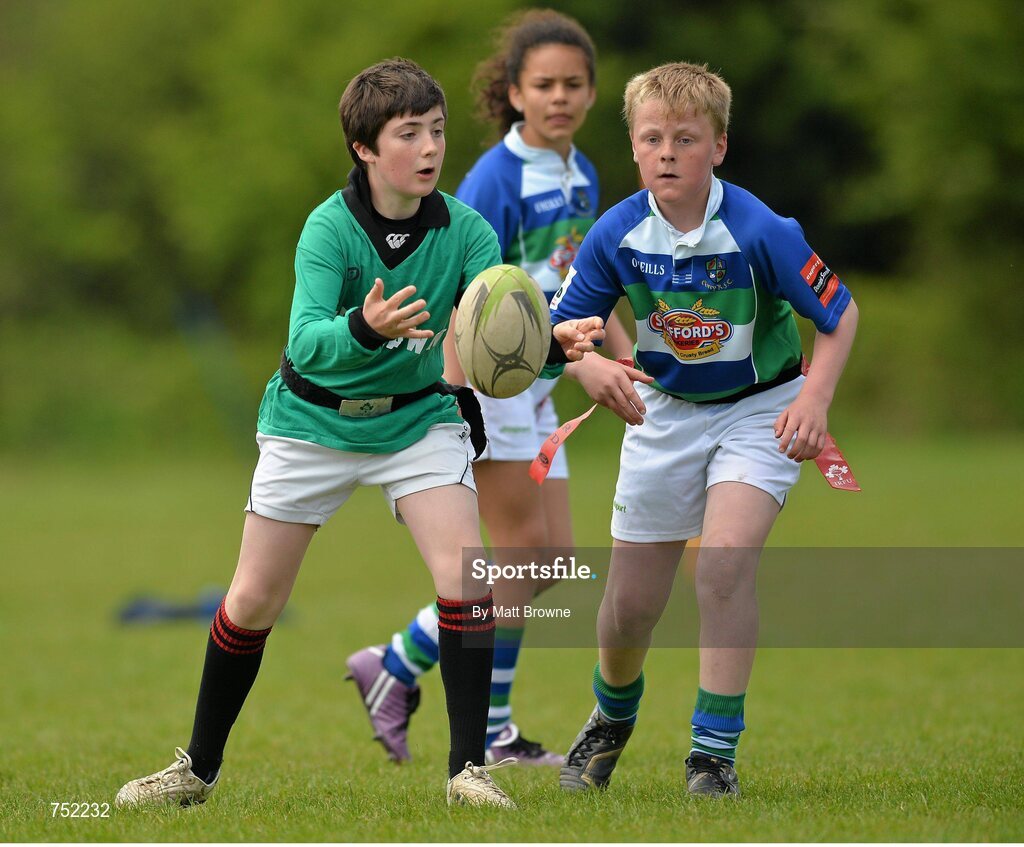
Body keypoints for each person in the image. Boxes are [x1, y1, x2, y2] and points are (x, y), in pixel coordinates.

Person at [113, 58, 604, 811]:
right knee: (252, 599)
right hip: (313, 422)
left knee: (466, 575)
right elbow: (306, 342)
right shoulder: (328, 228)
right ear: (366, 150)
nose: (430, 147)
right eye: (409, 134)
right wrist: (364, 327)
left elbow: (492, 335)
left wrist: (552, 342)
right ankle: (195, 769)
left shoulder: (466, 230)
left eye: (437, 130)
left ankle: (467, 770)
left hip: (417, 419)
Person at [549, 61, 859, 797]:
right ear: (632, 147)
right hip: (664, 415)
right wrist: (586, 365)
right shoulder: (616, 233)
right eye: (651, 137)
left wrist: (814, 400)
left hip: (759, 411)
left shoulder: (761, 230)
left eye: (685, 139)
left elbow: (840, 316)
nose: (666, 152)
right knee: (630, 607)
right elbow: (567, 329)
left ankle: (712, 753)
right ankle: (612, 715)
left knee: (721, 562)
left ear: (718, 147)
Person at [344, 9, 638, 768]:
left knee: (547, 561)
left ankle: (400, 663)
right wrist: (575, 364)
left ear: (593, 92)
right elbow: (480, 309)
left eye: (574, 84)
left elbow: (583, 280)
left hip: (544, 379)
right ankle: (481, 722)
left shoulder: (581, 172)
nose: (560, 97)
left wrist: (623, 351)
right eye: (543, 84)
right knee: (516, 557)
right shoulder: (493, 180)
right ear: (513, 92)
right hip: (493, 384)